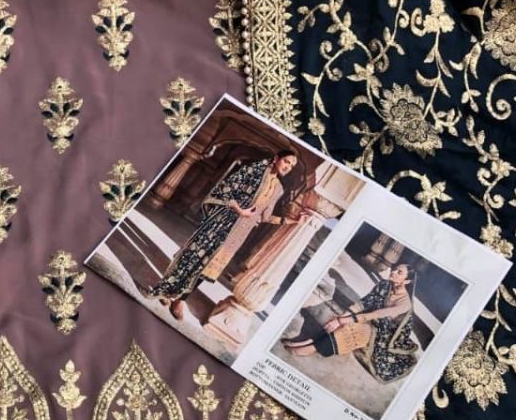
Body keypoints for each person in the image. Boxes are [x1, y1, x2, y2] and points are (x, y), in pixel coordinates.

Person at [147, 150, 301, 322]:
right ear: (276, 158)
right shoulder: (253, 170)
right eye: (286, 161)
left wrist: (287, 221)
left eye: (291, 166)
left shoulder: (278, 189)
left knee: (208, 268)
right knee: (194, 257)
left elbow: (265, 216)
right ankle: (167, 291)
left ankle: (181, 299)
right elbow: (225, 190)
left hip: (238, 235)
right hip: (222, 222)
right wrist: (239, 210)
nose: (288, 167)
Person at [282, 262, 420, 381]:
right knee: (337, 320)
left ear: (406, 281)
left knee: (353, 330)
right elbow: (364, 303)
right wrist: (341, 317)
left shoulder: (404, 304)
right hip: (370, 320)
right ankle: (309, 340)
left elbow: (376, 314)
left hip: (383, 335)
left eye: (399, 272)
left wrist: (345, 320)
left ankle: (312, 348)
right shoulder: (385, 285)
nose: (393, 272)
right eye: (395, 269)